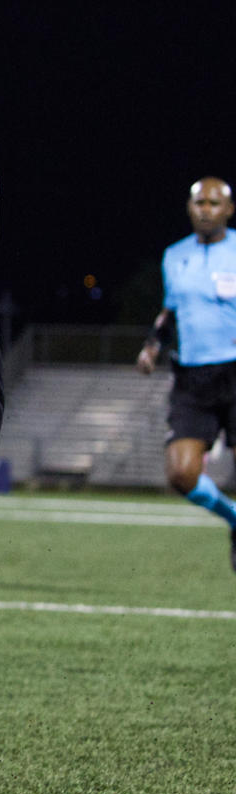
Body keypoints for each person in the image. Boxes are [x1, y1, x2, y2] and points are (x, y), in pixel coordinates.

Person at [135, 177, 236, 572]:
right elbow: (170, 311)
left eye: (214, 203)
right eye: (199, 203)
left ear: (228, 209)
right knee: (180, 474)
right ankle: (233, 519)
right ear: (190, 208)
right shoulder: (175, 256)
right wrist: (152, 345)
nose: (206, 209)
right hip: (191, 378)